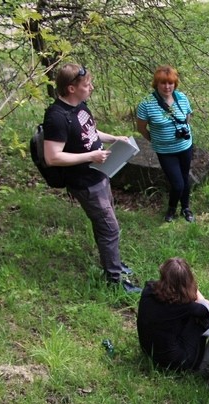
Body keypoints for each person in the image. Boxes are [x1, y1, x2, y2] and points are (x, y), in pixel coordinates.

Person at [42, 63, 140, 293]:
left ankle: (113, 264)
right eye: (86, 85)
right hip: (84, 182)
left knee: (106, 224)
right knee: (109, 228)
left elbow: (91, 132)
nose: (91, 88)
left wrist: (115, 138)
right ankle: (115, 280)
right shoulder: (56, 117)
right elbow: (52, 157)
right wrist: (91, 156)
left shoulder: (80, 106)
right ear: (71, 88)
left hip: (100, 174)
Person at [137, 258, 209, 371]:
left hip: (148, 350)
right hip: (176, 362)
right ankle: (200, 361)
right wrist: (195, 291)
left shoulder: (148, 290)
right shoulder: (183, 306)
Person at [136, 65, 195, 223]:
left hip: (185, 146)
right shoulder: (147, 103)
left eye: (171, 83)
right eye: (163, 83)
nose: (167, 87)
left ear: (175, 83)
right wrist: (155, 139)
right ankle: (171, 209)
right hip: (165, 151)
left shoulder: (181, 97)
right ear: (156, 84)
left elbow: (188, 117)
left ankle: (186, 208)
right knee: (177, 184)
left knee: (185, 178)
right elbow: (141, 127)